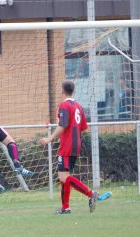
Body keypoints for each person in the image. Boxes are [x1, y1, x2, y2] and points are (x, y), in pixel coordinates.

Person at [39, 80, 111, 214]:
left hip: (67, 145)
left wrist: (49, 138)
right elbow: (83, 127)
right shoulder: (78, 106)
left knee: (63, 177)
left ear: (62, 91)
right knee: (65, 177)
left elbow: (63, 125)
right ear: (73, 90)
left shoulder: (64, 105)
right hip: (75, 144)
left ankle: (91, 194)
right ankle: (65, 208)